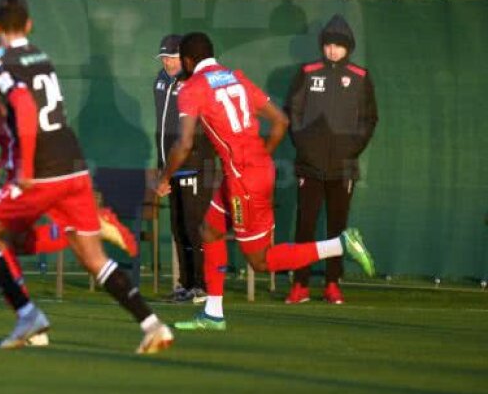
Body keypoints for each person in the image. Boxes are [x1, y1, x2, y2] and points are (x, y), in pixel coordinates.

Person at [0, 0, 174, 353]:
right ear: (28, 24)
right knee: (92, 258)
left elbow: (24, 110)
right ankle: (153, 326)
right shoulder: (41, 57)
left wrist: (22, 164)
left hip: (40, 168)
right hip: (72, 164)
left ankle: (28, 315)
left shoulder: (0, 63)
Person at [157, 32, 376, 331]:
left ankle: (339, 244)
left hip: (243, 179)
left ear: (187, 60)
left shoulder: (193, 87)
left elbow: (183, 145)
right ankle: (213, 313)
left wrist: (164, 178)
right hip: (249, 169)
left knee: (260, 261)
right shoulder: (235, 78)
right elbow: (281, 122)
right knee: (210, 230)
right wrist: (259, 157)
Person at [0, 1, 136, 259]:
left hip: (20, 155)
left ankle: (18, 295)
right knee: (10, 239)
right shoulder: (16, 57)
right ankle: (91, 226)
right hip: (45, 151)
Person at [285, 14, 379, 305]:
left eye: (339, 45)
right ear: (322, 46)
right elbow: (293, 113)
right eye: (329, 44)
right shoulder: (308, 72)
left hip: (344, 167)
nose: (333, 50)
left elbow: (369, 119)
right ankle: (299, 285)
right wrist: (306, 148)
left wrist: (350, 150)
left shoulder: (361, 77)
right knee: (305, 227)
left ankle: (332, 284)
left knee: (337, 229)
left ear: (348, 47)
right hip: (309, 167)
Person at [153, 33, 216, 304]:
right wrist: (162, 169)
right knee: (178, 227)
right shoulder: (160, 81)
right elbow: (162, 129)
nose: (168, 63)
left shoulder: (195, 83)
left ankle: (202, 284)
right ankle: (186, 284)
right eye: (165, 58)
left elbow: (198, 131)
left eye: (174, 58)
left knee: (194, 226)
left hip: (195, 165)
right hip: (171, 166)